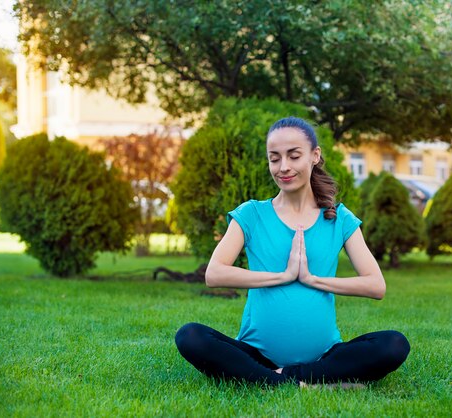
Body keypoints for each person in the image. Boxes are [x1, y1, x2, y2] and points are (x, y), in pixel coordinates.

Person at [175, 117, 410, 387]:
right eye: (274, 159)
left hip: (323, 357)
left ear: (314, 156)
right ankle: (315, 382)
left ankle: (282, 380)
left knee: (393, 344)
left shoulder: (339, 218)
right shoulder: (251, 214)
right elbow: (214, 274)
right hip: (256, 355)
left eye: (294, 156)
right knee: (189, 336)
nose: (283, 167)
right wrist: (283, 276)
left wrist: (312, 280)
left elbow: (375, 285)